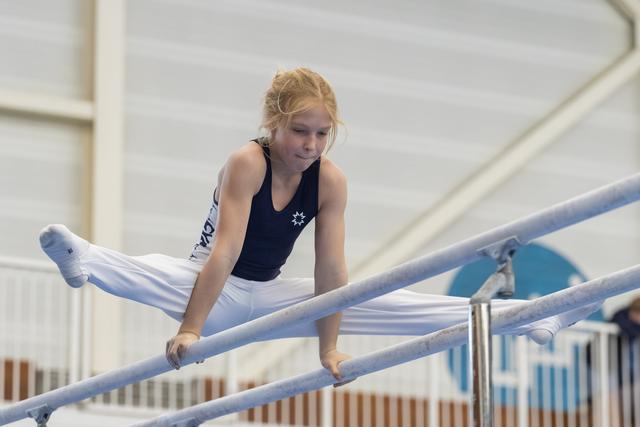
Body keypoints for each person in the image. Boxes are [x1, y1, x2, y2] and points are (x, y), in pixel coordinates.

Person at [38, 67, 599, 386]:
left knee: (381, 297)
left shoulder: (329, 181)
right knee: (156, 271)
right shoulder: (246, 162)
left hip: (279, 297)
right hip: (215, 289)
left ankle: (532, 318)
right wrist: (192, 329)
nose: (309, 145)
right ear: (272, 124)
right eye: (299, 132)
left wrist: (328, 350)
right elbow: (225, 253)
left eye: (321, 134)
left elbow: (329, 270)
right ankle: (87, 259)